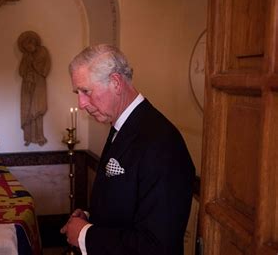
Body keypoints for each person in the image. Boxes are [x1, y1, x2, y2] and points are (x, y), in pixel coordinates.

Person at [60, 44, 195, 255]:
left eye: (86, 91)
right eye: (78, 93)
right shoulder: (123, 126)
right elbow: (127, 202)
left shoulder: (161, 141)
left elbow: (157, 246)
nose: (81, 103)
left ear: (115, 83)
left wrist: (86, 235)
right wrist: (90, 219)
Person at [18, 31, 51, 146]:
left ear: (34, 42)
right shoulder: (26, 55)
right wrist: (27, 60)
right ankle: (28, 137)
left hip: (39, 83)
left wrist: (33, 62)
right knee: (27, 110)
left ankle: (39, 136)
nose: (28, 46)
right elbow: (21, 71)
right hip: (27, 84)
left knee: (37, 110)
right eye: (25, 44)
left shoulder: (42, 51)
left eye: (29, 42)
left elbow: (45, 68)